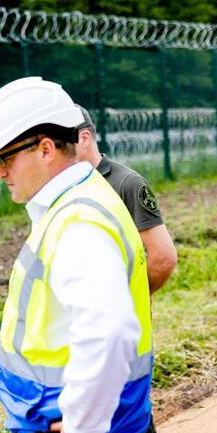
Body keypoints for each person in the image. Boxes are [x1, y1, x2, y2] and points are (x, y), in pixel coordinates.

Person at [0, 77, 159, 433]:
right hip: (94, 423)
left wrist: (83, 428)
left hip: (70, 431)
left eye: (4, 158)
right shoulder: (82, 197)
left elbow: (110, 329)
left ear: (45, 149)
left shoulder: (78, 220)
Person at [75, 105, 177, 293]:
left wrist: (130, 299)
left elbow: (163, 257)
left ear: (84, 138)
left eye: (60, 143)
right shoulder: (62, 188)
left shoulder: (127, 183)